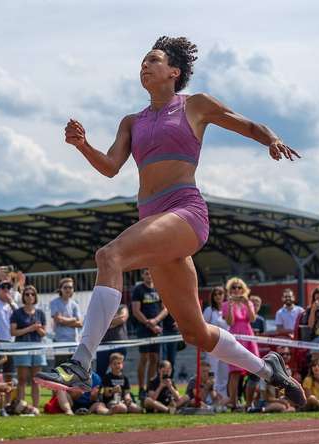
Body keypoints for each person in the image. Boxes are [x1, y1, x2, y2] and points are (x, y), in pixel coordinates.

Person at [36, 35, 302, 405]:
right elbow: (111, 167)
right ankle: (269, 370)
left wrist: (272, 140)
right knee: (195, 332)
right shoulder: (131, 121)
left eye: (153, 60)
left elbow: (249, 125)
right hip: (155, 224)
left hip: (185, 212)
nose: (144, 65)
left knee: (109, 256)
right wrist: (83, 146)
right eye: (143, 61)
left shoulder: (196, 106)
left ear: (174, 72)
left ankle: (80, 362)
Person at [130, 268, 165, 401]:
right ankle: (141, 388)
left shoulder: (159, 287)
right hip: (143, 328)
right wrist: (149, 323)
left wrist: (156, 321)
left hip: (157, 327)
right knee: (144, 358)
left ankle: (150, 386)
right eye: (146, 273)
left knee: (155, 359)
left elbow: (165, 308)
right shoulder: (139, 289)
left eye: (151, 273)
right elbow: (136, 310)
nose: (149, 276)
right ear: (143, 275)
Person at [10, 285, 47, 413]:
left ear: (35, 297)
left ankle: (35, 408)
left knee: (36, 379)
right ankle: (21, 407)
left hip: (37, 348)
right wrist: (30, 328)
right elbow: (13, 332)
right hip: (22, 347)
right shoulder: (17, 313)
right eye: (27, 294)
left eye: (32, 294)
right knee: (22, 379)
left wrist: (38, 329)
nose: (30, 296)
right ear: (23, 297)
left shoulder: (40, 313)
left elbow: (44, 334)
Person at [224, 277, 259, 408]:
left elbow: (252, 318)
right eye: (233, 287)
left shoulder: (248, 302)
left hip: (248, 336)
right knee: (235, 372)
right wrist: (231, 306)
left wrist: (246, 304)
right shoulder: (226, 304)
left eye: (239, 287)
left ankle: (249, 402)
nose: (236, 290)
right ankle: (233, 401)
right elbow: (230, 322)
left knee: (254, 369)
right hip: (235, 337)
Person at [202, 286, 230, 399]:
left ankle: (223, 398)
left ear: (224, 295)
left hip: (226, 345)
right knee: (213, 372)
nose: (218, 296)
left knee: (224, 372)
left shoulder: (228, 309)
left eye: (220, 293)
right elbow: (203, 326)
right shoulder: (209, 310)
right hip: (212, 345)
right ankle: (210, 398)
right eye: (215, 294)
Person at [50, 277, 83, 366]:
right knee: (60, 370)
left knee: (73, 370)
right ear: (60, 289)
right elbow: (58, 319)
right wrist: (73, 319)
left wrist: (64, 320)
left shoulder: (75, 304)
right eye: (65, 287)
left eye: (70, 287)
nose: (68, 289)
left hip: (73, 342)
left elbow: (80, 323)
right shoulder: (54, 302)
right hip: (59, 341)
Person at [95, 300, 129, 378]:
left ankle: (120, 390)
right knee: (100, 373)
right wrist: (115, 320)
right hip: (103, 345)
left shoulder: (122, 307)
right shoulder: (99, 309)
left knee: (118, 372)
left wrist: (105, 322)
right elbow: (97, 322)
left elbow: (122, 318)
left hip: (119, 344)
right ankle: (98, 390)